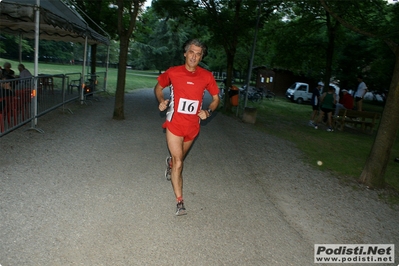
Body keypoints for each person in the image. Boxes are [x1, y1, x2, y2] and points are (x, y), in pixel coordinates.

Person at [154, 39, 220, 216]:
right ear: (185, 53)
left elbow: (216, 99)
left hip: (192, 128)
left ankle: (170, 163)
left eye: (198, 54)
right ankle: (180, 202)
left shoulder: (206, 76)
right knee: (180, 163)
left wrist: (209, 111)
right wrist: (161, 101)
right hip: (174, 124)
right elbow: (159, 87)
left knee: (178, 159)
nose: (194, 56)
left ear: (201, 56)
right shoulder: (173, 72)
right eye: (192, 52)